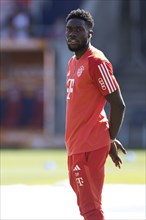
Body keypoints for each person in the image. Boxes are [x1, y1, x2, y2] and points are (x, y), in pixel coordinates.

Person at [65, 9, 127, 220]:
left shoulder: (96, 62)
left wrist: (109, 139)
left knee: (90, 209)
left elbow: (118, 104)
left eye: (79, 30)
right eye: (69, 30)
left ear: (89, 34)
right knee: (89, 207)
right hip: (77, 145)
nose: (72, 34)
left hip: (89, 146)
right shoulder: (73, 62)